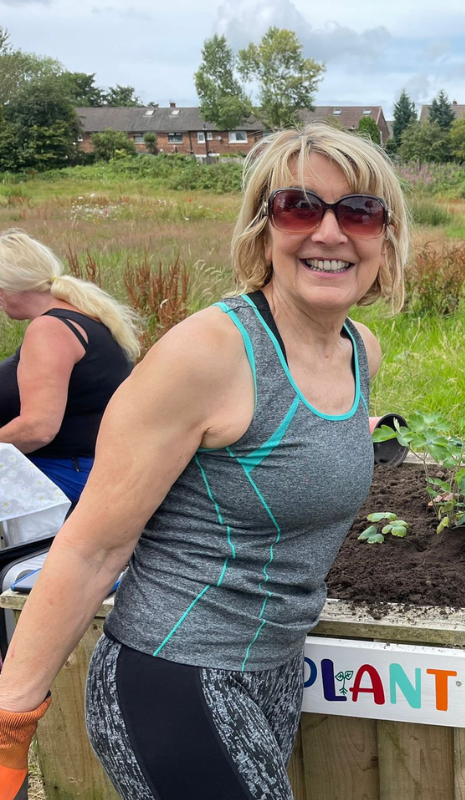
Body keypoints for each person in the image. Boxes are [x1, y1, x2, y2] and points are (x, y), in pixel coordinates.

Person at [0, 122, 407, 800]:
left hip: (272, 673)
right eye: (299, 207)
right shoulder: (207, 354)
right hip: (173, 677)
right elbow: (92, 547)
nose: (331, 233)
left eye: (359, 212)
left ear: (383, 238)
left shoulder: (359, 350)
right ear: (261, 230)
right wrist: (12, 714)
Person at [0, 230, 140, 506]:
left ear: (6, 288)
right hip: (90, 468)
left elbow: (38, 428)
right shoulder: (87, 315)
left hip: (60, 474)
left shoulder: (49, 330)